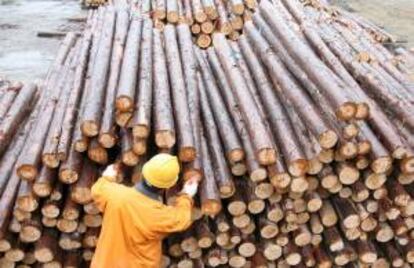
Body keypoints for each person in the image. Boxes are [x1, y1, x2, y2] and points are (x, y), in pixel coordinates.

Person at [90, 153, 199, 268]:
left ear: (143, 172)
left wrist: (108, 176)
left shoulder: (114, 194)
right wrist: (186, 195)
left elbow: (97, 189)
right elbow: (182, 219)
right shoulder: (159, 214)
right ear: (168, 186)